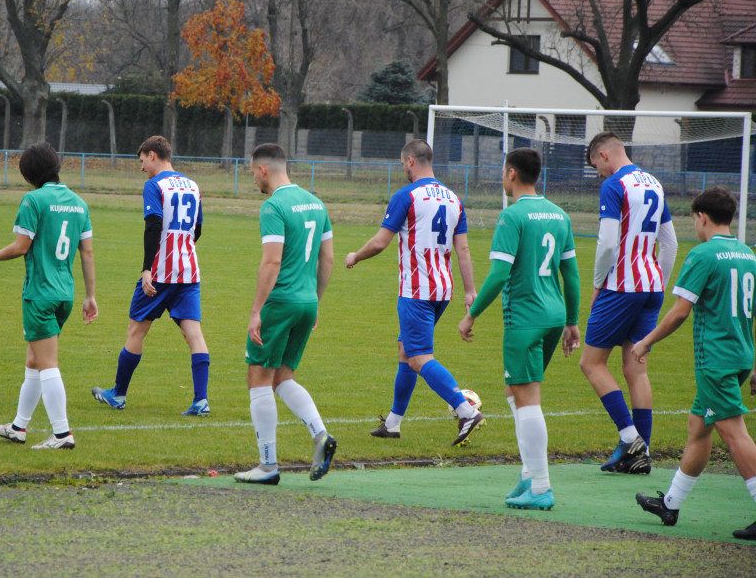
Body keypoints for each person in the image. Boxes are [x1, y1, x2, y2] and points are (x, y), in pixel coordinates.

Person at [457, 148, 581, 510]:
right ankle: (528, 474)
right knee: (515, 389)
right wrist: (572, 321)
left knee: (528, 399)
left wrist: (472, 314)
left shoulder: (512, 216)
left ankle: (541, 486)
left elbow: (498, 275)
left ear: (511, 173)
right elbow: (570, 274)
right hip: (554, 316)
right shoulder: (559, 215)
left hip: (525, 318)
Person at [632, 187, 756, 540]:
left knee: (734, 433)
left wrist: (646, 341)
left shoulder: (703, 254)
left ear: (702, 217)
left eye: (695, 220)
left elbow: (679, 312)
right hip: (741, 354)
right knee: (698, 425)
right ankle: (670, 504)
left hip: (714, 358)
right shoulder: (748, 254)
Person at [345, 139, 482, 446]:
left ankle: (465, 411)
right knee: (406, 352)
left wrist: (355, 256)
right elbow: (463, 248)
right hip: (442, 290)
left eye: (402, 164)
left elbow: (380, 242)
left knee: (419, 358)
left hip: (416, 290)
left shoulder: (406, 196)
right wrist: (470, 290)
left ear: (409, 161)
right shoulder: (453, 198)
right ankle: (393, 424)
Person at [0, 143, 97, 450]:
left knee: (47, 364)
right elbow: (88, 251)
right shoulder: (79, 203)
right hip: (65, 295)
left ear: (30, 173)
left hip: (40, 294)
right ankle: (19, 427)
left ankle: (62, 434)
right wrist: (91, 296)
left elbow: (20, 247)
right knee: (34, 360)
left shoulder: (33, 200)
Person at [234, 143, 336, 486]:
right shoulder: (317, 203)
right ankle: (320, 435)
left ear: (263, 169)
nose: (254, 180)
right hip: (307, 302)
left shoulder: (273, 206)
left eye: (252, 173)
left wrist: (256, 310)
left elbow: (272, 261)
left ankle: (267, 465)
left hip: (281, 302)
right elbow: (328, 260)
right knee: (283, 377)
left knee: (258, 378)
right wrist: (316, 301)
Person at [90, 135, 211, 416]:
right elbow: (198, 230)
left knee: (136, 330)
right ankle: (201, 401)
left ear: (153, 155)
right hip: (189, 271)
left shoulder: (154, 186)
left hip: (159, 274)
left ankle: (118, 395)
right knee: (194, 334)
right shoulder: (194, 186)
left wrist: (147, 269)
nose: (141, 166)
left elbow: (153, 226)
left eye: (142, 160)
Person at [580, 132, 677, 474]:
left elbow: (607, 244)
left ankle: (630, 438)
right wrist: (658, 284)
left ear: (604, 155)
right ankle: (642, 453)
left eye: (597, 166)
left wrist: (596, 285)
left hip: (621, 286)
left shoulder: (615, 185)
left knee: (591, 364)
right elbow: (670, 244)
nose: (599, 174)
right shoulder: (653, 183)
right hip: (651, 286)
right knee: (636, 368)